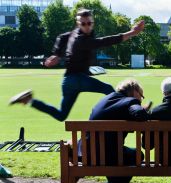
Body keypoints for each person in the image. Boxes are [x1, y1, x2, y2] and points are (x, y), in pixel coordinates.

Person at [9, 8, 145, 122]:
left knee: (61, 115)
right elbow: (105, 41)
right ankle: (132, 111)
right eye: (83, 23)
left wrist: (56, 53)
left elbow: (61, 37)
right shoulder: (81, 40)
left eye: (89, 23)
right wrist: (132, 33)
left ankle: (30, 100)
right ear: (78, 23)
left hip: (68, 82)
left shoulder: (74, 33)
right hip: (77, 79)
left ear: (92, 22)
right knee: (109, 89)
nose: (86, 26)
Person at [79, 79, 149, 183]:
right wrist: (143, 108)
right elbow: (139, 114)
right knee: (137, 155)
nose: (141, 99)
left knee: (113, 151)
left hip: (86, 153)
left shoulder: (106, 99)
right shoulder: (130, 101)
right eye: (141, 96)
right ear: (134, 91)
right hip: (107, 156)